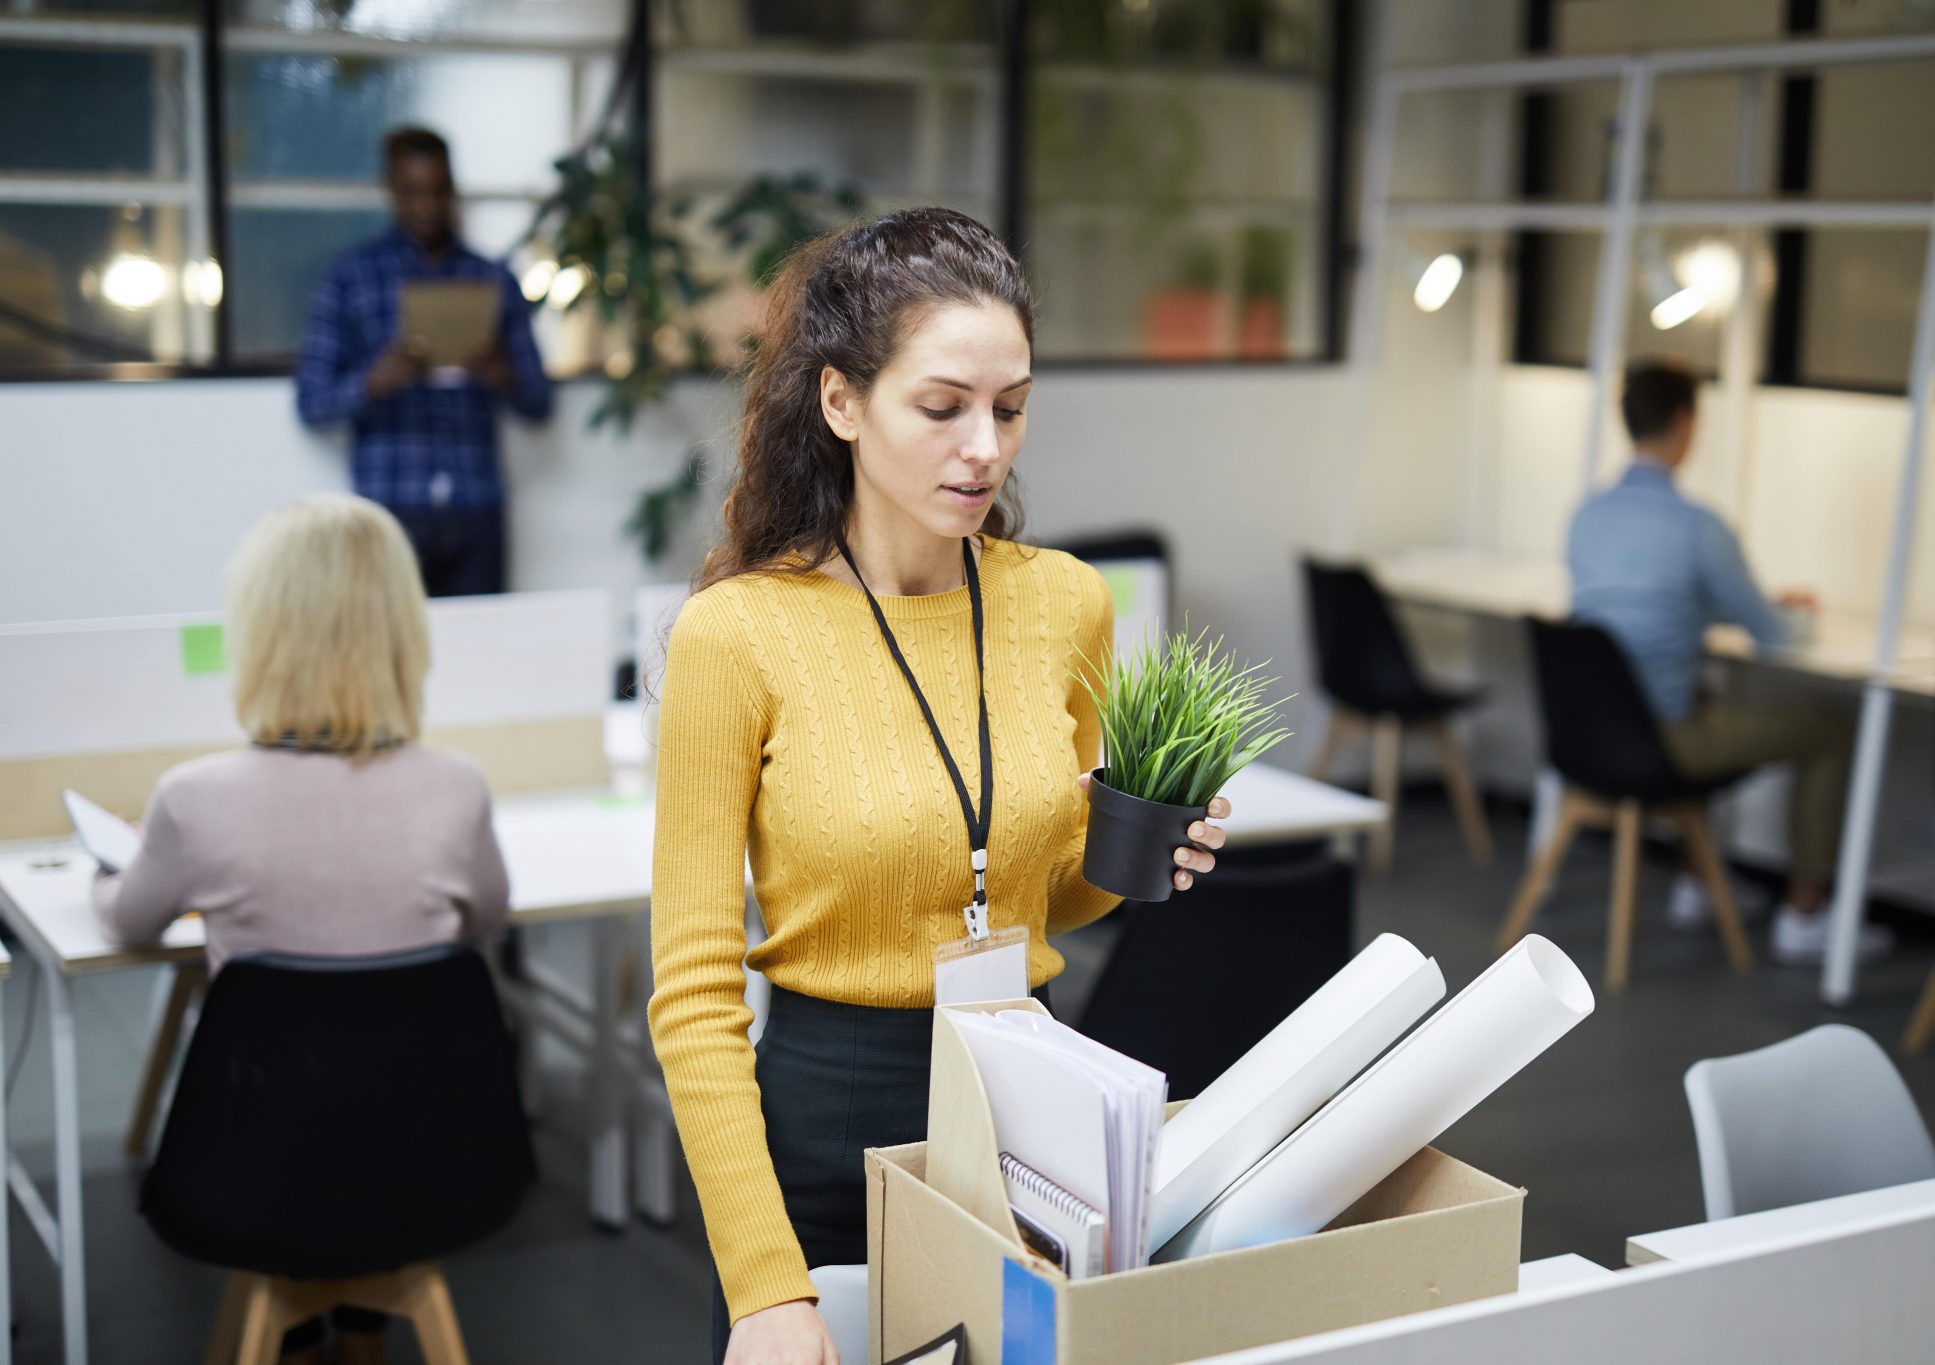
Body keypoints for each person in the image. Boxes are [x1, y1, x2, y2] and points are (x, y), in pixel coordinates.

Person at [647, 207, 1232, 1365]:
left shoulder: (1064, 602)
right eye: (941, 406)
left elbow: (1039, 896)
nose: (984, 447)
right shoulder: (736, 636)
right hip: (827, 1129)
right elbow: (693, 996)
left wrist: (1128, 862)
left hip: (1033, 1114)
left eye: (1009, 409)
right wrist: (765, 1287)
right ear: (841, 403)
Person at [94, 492, 511, 1365]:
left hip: (254, 1179)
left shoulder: (194, 798)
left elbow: (132, 924)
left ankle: (311, 1333)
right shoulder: (457, 787)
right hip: (427, 1169)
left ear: (262, 633)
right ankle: (358, 1324)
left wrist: (108, 872)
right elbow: (487, 919)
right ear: (403, 630)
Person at [1566, 358, 1889, 965]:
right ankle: (1806, 914)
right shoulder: (1698, 527)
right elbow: (1772, 636)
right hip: (1664, 740)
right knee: (1831, 730)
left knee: (1710, 702)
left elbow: (1642, 608)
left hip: (1593, 736)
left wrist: (1715, 610)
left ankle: (1698, 881)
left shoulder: (1586, 516)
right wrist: (1789, 613)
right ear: (1687, 423)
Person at [294, 126, 553, 597]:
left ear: (451, 189)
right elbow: (312, 404)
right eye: (412, 193)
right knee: (386, 659)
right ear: (390, 189)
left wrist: (502, 374)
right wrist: (376, 381)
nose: (427, 207)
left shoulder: (491, 277)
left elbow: (540, 403)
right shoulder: (347, 278)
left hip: (476, 505)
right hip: (389, 507)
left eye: (437, 192)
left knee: (483, 648)